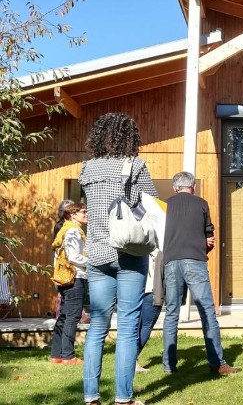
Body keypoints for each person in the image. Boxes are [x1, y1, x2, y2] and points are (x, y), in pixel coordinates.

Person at [79, 112, 157, 405]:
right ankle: (124, 399)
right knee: (127, 327)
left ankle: (91, 397)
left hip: (97, 253)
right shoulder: (135, 165)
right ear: (130, 137)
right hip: (129, 253)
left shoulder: (86, 168)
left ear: (99, 136)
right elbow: (152, 203)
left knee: (97, 326)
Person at [162, 171, 240, 375]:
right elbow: (209, 237)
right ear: (193, 186)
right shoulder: (201, 203)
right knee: (206, 311)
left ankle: (169, 366)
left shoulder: (165, 205)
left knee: (171, 313)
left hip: (171, 261)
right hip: (195, 260)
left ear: (174, 188)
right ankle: (217, 363)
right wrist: (204, 244)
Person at [50, 202, 89, 364]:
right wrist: (92, 262)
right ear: (72, 215)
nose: (86, 214)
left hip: (65, 278)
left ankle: (57, 355)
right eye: (83, 212)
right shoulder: (73, 231)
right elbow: (74, 256)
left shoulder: (65, 229)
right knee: (72, 316)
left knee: (65, 315)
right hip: (75, 277)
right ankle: (68, 356)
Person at [135, 249, 163, 373]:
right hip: (151, 291)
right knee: (146, 326)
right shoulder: (157, 252)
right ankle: (132, 360)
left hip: (136, 290)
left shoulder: (136, 250)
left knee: (136, 327)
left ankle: (129, 360)